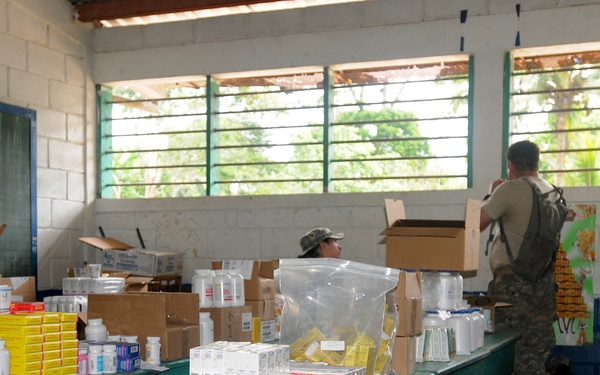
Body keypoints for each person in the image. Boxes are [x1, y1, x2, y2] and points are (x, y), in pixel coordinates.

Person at [479, 140, 559, 375]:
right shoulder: (551, 190)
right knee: (536, 355)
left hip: (511, 288)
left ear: (510, 165)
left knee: (505, 355)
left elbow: (477, 223)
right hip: (544, 285)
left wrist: (491, 194)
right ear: (537, 162)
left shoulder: (510, 189)